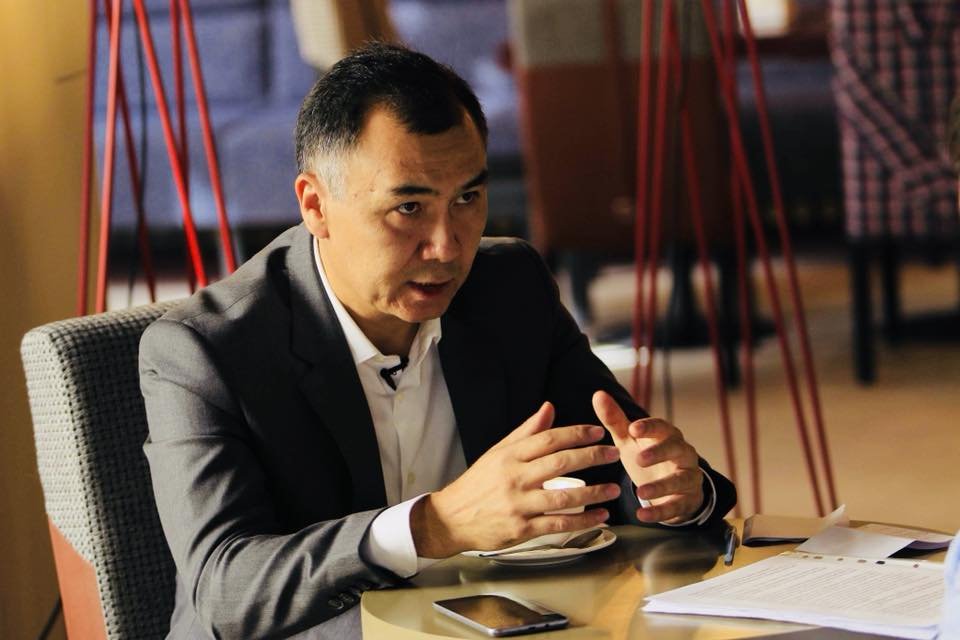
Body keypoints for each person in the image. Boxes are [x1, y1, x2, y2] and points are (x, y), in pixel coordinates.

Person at [139, 42, 736, 639]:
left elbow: (619, 465)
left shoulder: (509, 289)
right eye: (408, 208)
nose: (447, 246)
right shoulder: (206, 350)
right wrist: (436, 525)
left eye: (467, 199)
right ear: (316, 205)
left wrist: (673, 492)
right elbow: (224, 590)